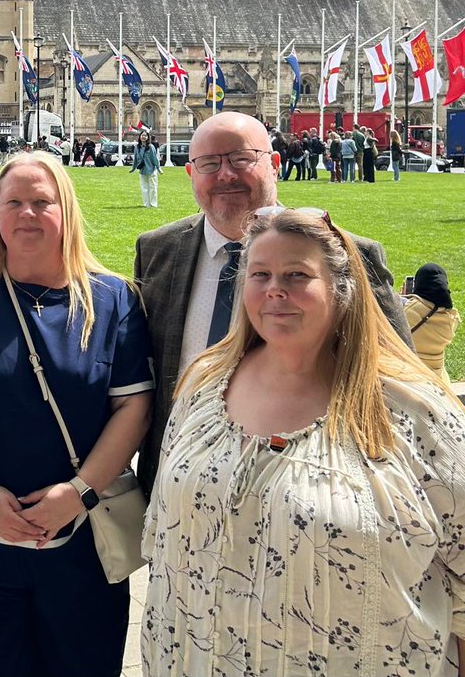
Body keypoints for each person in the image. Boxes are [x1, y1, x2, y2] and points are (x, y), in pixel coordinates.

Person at [142, 208, 465, 675]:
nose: (275, 290)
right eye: (260, 274)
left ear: (341, 288)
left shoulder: (411, 411)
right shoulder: (204, 386)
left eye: (297, 275)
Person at [0, 153, 152, 676]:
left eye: (42, 202)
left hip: (80, 544)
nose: (26, 214)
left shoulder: (112, 300)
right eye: (12, 202)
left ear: (66, 209)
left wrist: (78, 491)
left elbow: (133, 405)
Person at [133, 110, 412, 493]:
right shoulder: (157, 250)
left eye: (241, 158)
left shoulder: (347, 254)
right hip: (180, 488)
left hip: (307, 494)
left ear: (275, 163)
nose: (226, 174)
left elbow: (398, 376)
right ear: (190, 174)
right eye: (209, 163)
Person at [403, 263, 461, 383]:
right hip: (439, 380)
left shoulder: (408, 309)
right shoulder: (451, 318)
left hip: (411, 374)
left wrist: (403, 298)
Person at [131, 129, 161, 207]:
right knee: (144, 188)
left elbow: (154, 158)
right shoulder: (137, 147)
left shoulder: (151, 147)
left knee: (153, 187)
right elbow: (135, 159)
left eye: (145, 135)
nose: (143, 137)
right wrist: (133, 168)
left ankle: (153, 204)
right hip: (142, 170)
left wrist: (158, 168)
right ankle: (146, 204)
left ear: (148, 137)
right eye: (142, 135)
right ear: (140, 136)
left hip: (151, 169)